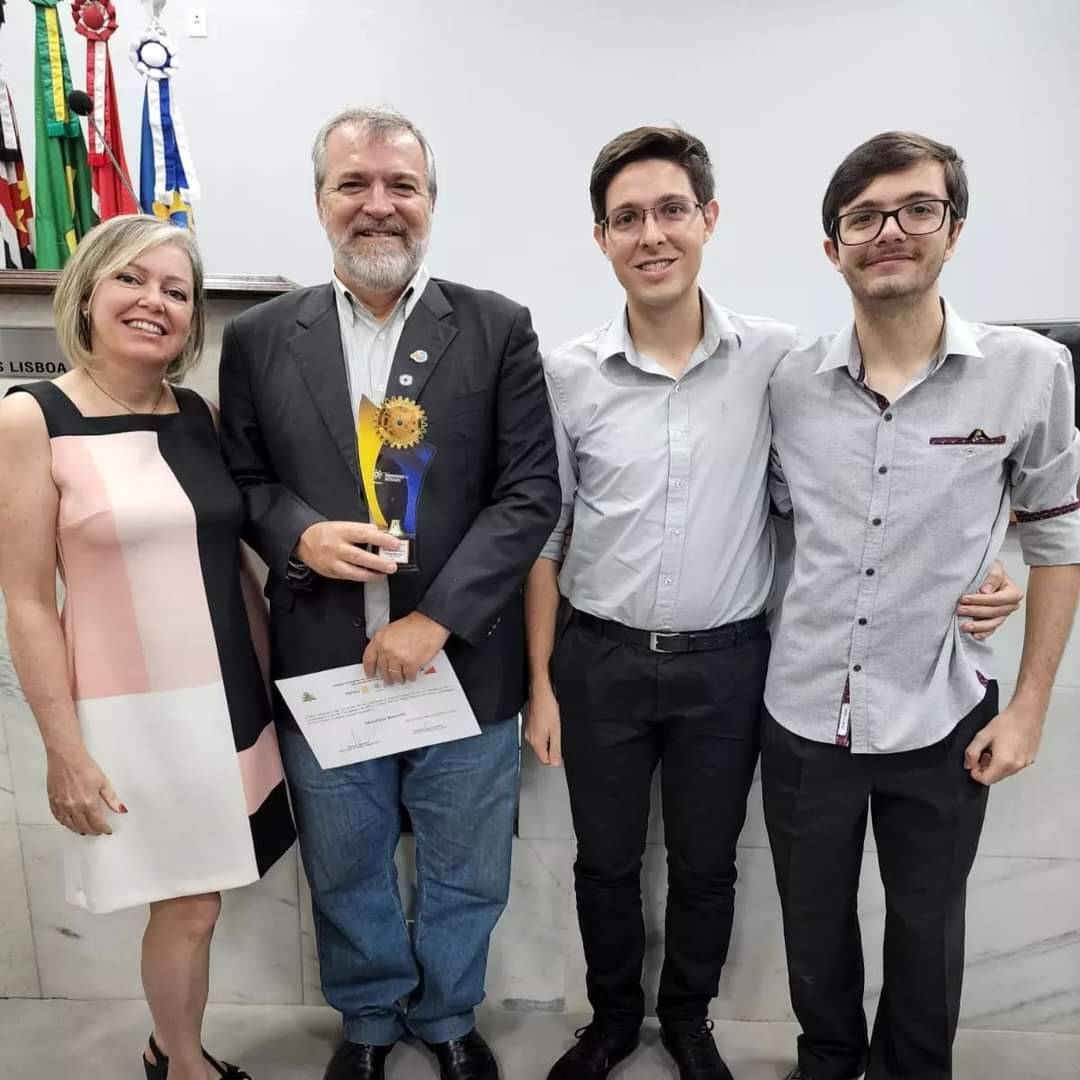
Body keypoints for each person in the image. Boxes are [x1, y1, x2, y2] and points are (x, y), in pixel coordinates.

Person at [523, 127, 1023, 1080]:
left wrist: (983, 566)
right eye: (627, 218)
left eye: (672, 209)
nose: (652, 234)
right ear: (602, 239)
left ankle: (690, 1021)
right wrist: (542, 682)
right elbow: (549, 535)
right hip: (600, 658)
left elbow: (876, 480)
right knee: (605, 862)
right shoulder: (566, 373)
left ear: (708, 220)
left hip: (729, 662)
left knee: (711, 865)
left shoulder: (782, 364)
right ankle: (612, 1020)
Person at [217, 106, 560, 1080]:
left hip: (465, 671)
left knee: (465, 874)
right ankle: (369, 1026)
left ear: (431, 203)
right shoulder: (256, 339)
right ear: (321, 202)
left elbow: (531, 491)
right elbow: (242, 480)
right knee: (348, 869)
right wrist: (300, 535)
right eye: (353, 185)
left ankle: (449, 1020)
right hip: (326, 669)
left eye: (400, 186)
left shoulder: (496, 328)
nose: (379, 206)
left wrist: (435, 618)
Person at [763, 131, 1080, 1080]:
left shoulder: (1029, 372)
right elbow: (769, 526)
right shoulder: (786, 384)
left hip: (945, 712)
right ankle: (829, 1063)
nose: (889, 230)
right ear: (833, 248)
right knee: (812, 926)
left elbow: (1059, 539)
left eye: (916, 208)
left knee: (927, 926)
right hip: (804, 708)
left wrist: (1026, 707)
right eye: (862, 216)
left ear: (953, 229)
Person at [0, 214, 295, 1080]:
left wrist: (280, 685)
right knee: (190, 906)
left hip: (230, 698)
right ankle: (183, 1065)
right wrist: (63, 752)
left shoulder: (196, 414)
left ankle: (172, 1046)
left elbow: (231, 564)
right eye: (133, 279)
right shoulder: (31, 418)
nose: (153, 302)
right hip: (134, 717)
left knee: (201, 898)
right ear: (88, 291)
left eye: (176, 290)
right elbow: (24, 600)